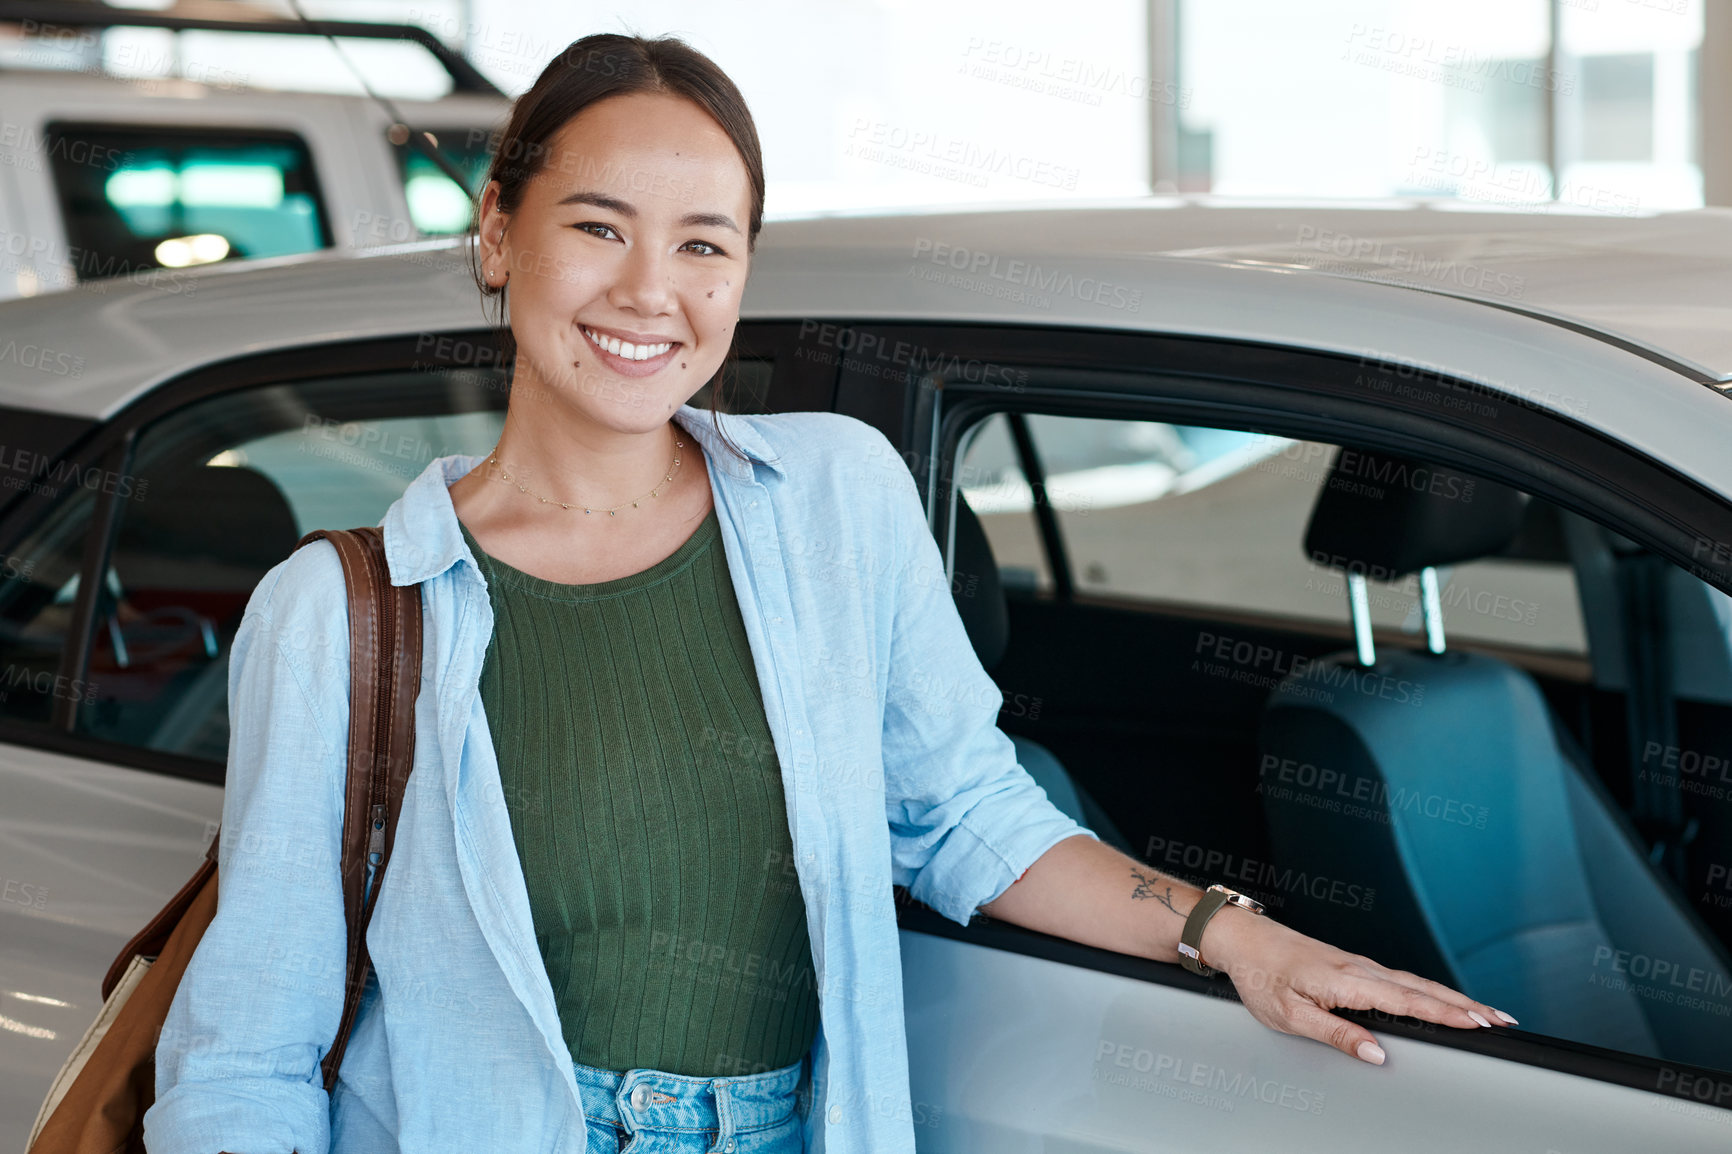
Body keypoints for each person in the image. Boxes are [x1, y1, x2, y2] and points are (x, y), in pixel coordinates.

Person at [145, 31, 1517, 1154]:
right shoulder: (342, 613)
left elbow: (964, 811)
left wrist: (1234, 935)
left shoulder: (836, 501)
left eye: (703, 244)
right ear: (499, 232)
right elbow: (246, 1052)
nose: (650, 292)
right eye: (599, 227)